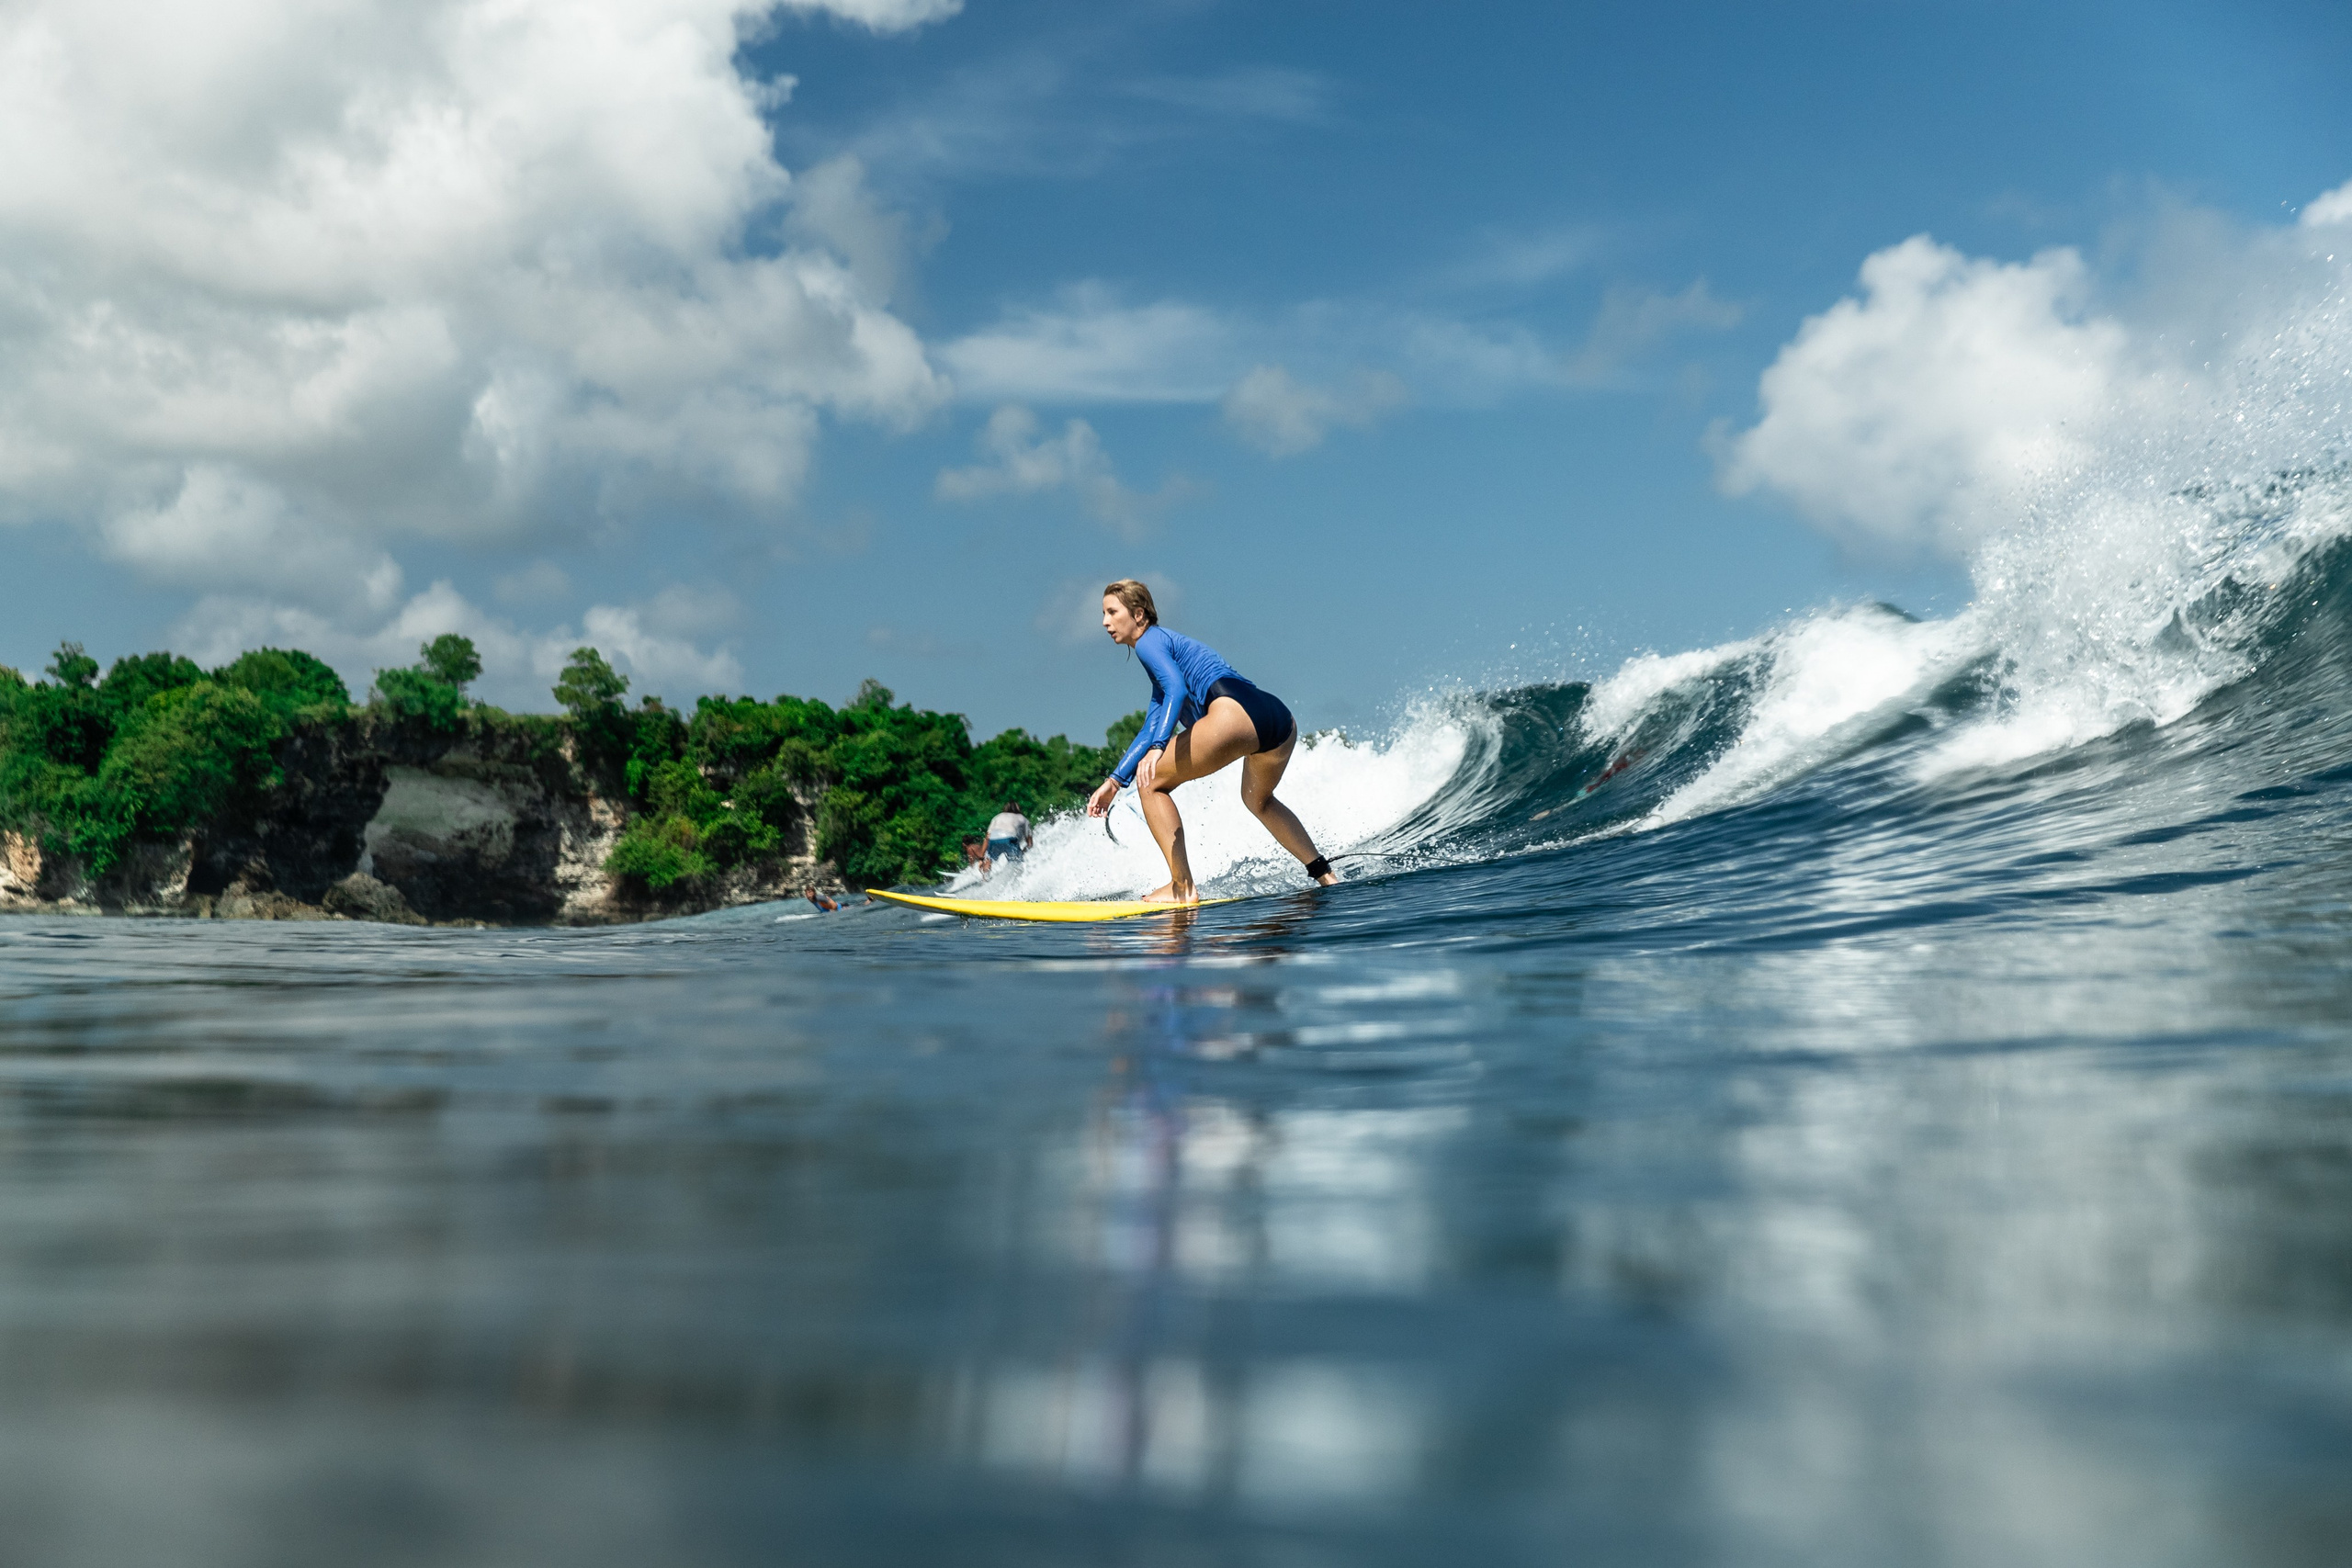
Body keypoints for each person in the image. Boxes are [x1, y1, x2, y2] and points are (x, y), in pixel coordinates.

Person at [1085, 579, 1339, 903]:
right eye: (1103, 614)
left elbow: (1176, 690)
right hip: (1277, 719)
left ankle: (1181, 887)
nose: (1105, 622)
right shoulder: (1166, 650)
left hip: (1231, 713)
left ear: (1138, 615)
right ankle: (1324, 874)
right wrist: (1114, 782)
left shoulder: (1149, 642)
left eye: (1112, 612)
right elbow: (1152, 725)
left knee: (1150, 780)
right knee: (1258, 800)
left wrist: (1159, 748)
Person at [984, 800, 1033, 867]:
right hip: (1009, 838)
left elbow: (987, 837)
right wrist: (1022, 853)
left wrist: (981, 857)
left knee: (989, 860)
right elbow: (1030, 844)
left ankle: (985, 873)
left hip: (993, 838)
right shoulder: (1023, 818)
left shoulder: (997, 817)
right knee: (1017, 863)